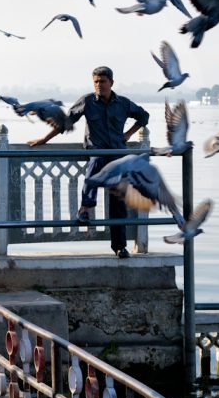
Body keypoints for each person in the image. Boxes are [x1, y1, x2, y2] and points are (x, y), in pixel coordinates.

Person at [28, 66, 149, 258]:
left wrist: (128, 134)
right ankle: (85, 208)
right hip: (97, 151)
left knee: (119, 201)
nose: (99, 85)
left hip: (118, 154)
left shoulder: (123, 104)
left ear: (111, 83)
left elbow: (144, 116)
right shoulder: (87, 101)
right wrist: (44, 139)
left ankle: (120, 247)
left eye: (103, 82)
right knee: (97, 162)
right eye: (96, 82)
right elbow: (66, 123)